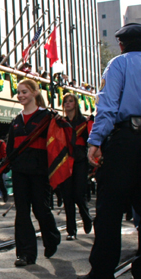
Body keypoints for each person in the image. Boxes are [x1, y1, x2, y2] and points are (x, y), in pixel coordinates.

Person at [77, 23, 141, 279]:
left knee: (109, 209)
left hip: (125, 141)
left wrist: (96, 141)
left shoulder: (118, 65)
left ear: (122, 44)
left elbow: (107, 105)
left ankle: (102, 274)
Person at [6, 80, 62, 266]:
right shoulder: (16, 121)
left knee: (41, 209)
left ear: (35, 93)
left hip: (40, 171)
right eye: (18, 92)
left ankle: (52, 237)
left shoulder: (48, 117)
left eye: (24, 92)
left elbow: (58, 142)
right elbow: (10, 150)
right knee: (22, 212)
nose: (21, 95)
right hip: (20, 171)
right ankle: (25, 254)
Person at [60, 94, 93, 239]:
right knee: (67, 197)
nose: (67, 103)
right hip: (66, 162)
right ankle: (71, 231)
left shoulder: (84, 122)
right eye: (65, 101)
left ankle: (86, 218)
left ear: (76, 104)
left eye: (70, 101)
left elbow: (90, 141)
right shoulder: (61, 122)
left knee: (79, 195)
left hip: (80, 162)